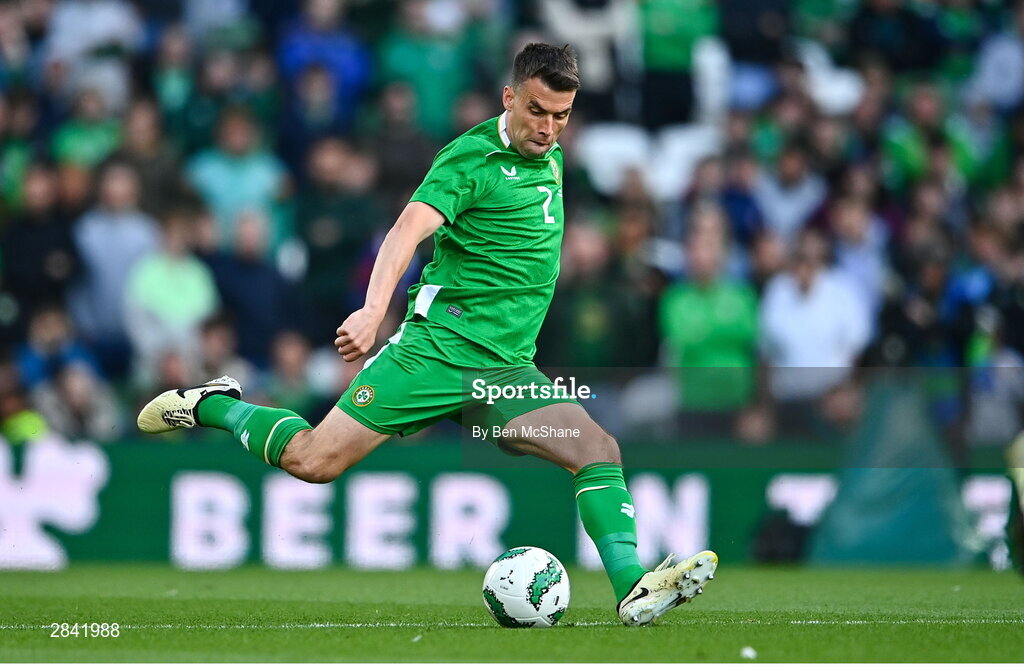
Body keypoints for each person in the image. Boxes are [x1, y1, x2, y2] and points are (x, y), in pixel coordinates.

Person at [137, 43, 716, 626]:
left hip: (506, 373)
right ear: (509, 97)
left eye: (561, 115)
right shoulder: (469, 159)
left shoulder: (555, 157)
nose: (547, 128)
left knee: (597, 450)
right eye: (537, 111)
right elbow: (405, 232)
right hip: (435, 353)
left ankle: (632, 586)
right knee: (313, 461)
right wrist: (371, 310)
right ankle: (214, 406)